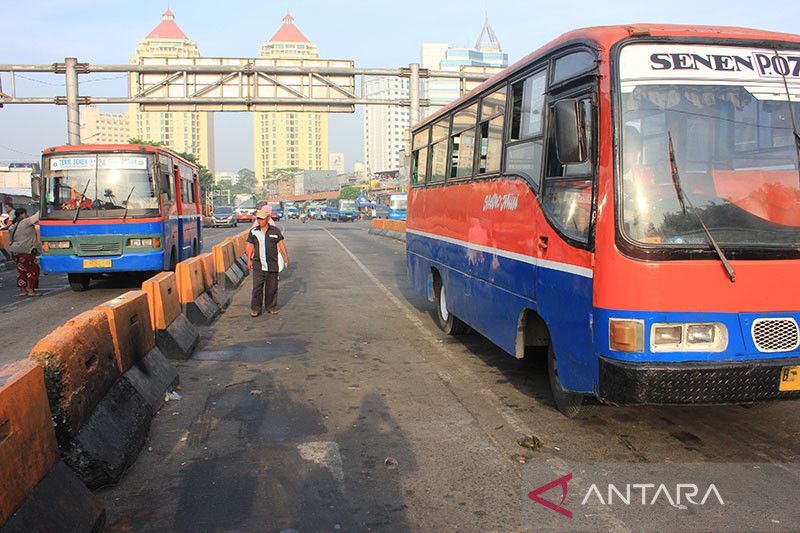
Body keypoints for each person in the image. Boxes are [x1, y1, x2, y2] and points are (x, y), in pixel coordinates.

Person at [246, 207, 289, 317]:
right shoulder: (254, 231)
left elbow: (281, 244)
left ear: (268, 218)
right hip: (258, 264)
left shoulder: (275, 231)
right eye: (258, 219)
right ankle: (256, 309)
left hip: (272, 264)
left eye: (262, 219)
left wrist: (286, 257)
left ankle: (271, 307)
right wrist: (249, 259)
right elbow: (251, 246)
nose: (260, 221)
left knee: (272, 288)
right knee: (257, 288)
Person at [8, 207, 42, 297]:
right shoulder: (26, 222)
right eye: (25, 213)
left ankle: (22, 290)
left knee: (21, 271)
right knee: (33, 270)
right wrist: (45, 205)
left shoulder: (13, 225)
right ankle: (31, 290)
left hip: (15, 251)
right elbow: (38, 215)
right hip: (26, 251)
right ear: (21, 214)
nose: (27, 215)